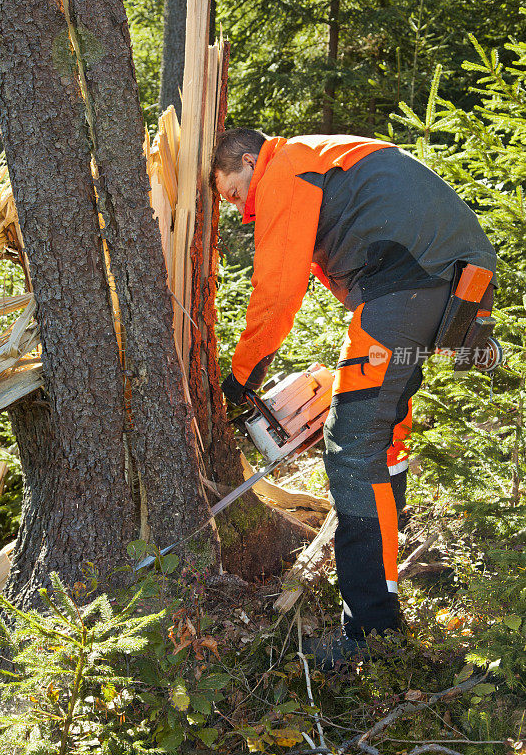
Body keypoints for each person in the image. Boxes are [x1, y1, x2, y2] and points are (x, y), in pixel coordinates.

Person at [210, 129, 496, 668]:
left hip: (408, 288)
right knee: (381, 448)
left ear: (251, 160)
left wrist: (242, 376)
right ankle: (382, 603)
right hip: (455, 287)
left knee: (351, 453)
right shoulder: (322, 153)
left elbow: (277, 286)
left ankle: (369, 633)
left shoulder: (286, 167)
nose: (238, 207)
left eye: (233, 192)